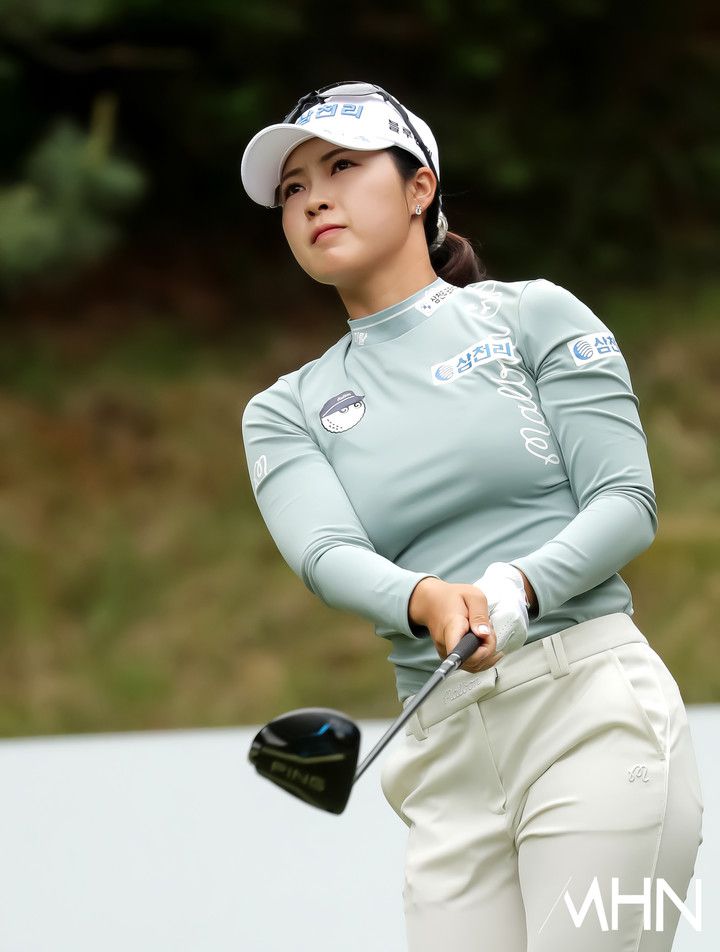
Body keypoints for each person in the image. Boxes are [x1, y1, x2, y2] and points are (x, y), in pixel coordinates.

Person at [238, 81, 704, 951]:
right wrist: (426, 599)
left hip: (592, 716)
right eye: (293, 188)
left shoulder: (533, 315)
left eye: (342, 167)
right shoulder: (284, 409)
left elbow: (626, 502)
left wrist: (518, 588)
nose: (314, 199)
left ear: (420, 188)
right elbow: (326, 551)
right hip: (443, 754)